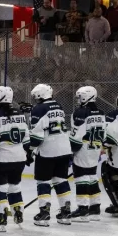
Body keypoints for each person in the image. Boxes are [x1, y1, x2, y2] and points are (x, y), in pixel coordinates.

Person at [28, 83, 73, 226]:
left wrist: (28, 150)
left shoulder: (38, 109)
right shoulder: (58, 106)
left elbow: (36, 137)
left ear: (39, 96)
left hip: (47, 151)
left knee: (44, 182)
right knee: (61, 180)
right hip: (64, 149)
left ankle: (44, 213)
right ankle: (66, 213)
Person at [0, 86, 30, 232]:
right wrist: (27, 154)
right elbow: (26, 138)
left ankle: (1, 218)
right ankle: (18, 213)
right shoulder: (20, 114)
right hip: (19, 159)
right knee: (14, 187)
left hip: (2, 159)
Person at [68, 86, 105, 222]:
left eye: (79, 97)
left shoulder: (80, 112)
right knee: (92, 176)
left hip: (83, 149)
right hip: (94, 149)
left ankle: (83, 210)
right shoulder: (101, 112)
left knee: (81, 177)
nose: (78, 99)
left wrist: (71, 152)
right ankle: (95, 208)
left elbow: (77, 135)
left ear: (85, 97)